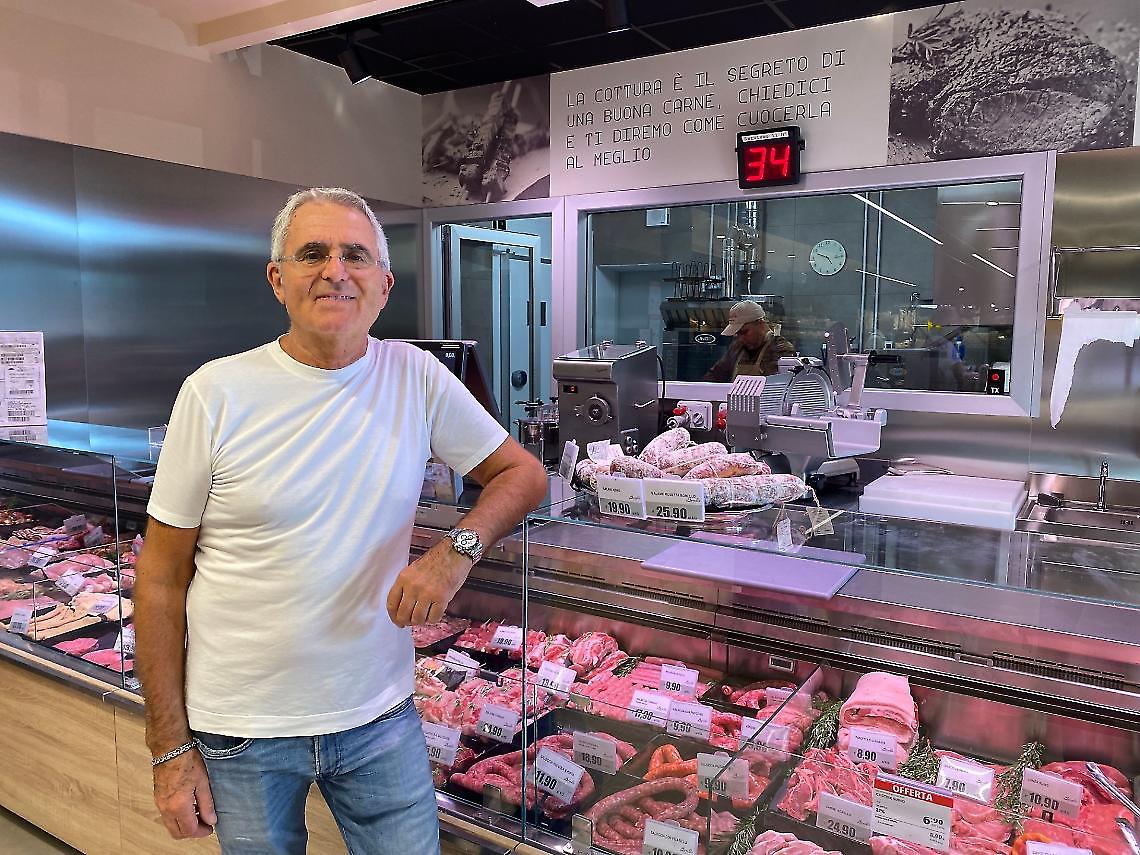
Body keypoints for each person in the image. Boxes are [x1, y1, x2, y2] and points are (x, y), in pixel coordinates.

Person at [134, 187, 548, 855]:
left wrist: (456, 550)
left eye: (356, 254)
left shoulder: (415, 376)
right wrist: (169, 748)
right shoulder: (215, 392)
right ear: (278, 278)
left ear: (384, 285)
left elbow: (523, 474)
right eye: (312, 252)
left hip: (379, 715)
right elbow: (157, 580)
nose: (335, 269)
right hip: (242, 729)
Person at [704, 301, 796, 381]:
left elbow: (777, 386)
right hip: (736, 400)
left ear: (760, 324)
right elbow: (716, 375)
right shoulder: (737, 347)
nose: (740, 338)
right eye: (737, 334)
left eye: (744, 332)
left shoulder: (781, 349)